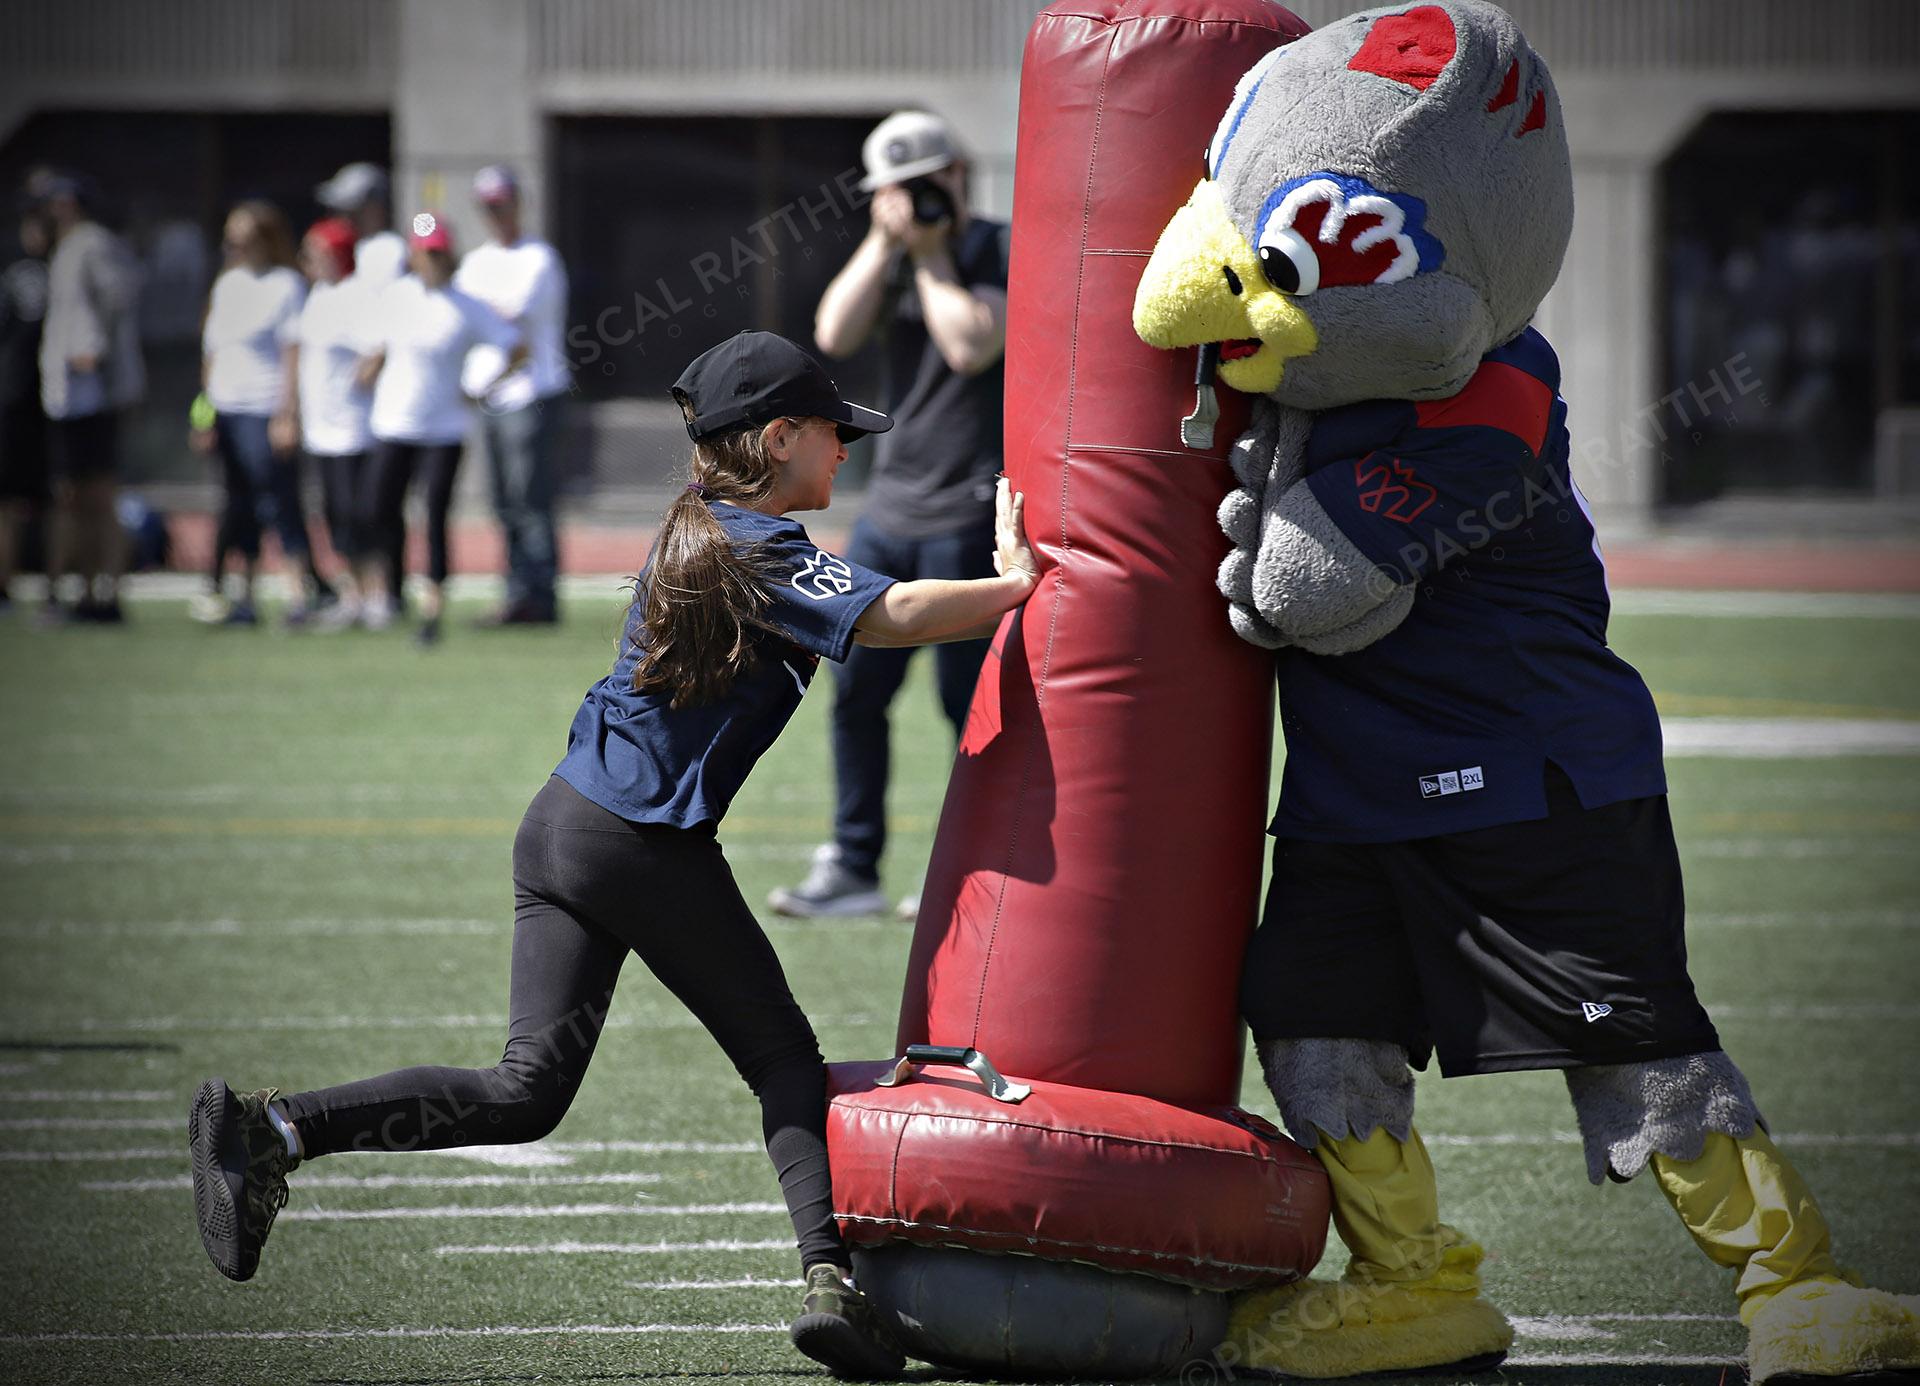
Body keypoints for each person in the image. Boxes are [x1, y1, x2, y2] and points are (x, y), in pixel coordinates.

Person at [187, 329, 1041, 1377]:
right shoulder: (757, 544)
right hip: (639, 844)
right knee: (780, 1060)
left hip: (561, 827)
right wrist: (1018, 588)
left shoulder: (710, 523)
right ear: (778, 439)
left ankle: (271, 1131)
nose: (846, 454)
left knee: (528, 1090)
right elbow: (893, 613)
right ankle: (836, 1283)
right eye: (832, 434)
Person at [772, 110, 1010, 921]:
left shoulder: (999, 248)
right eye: (895, 192)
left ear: (959, 173)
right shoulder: (894, 258)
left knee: (966, 703)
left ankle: (968, 866)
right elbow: (831, 332)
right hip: (893, 505)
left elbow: (972, 346)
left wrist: (936, 255)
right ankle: (854, 863)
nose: (914, 201)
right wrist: (885, 245)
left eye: (927, 183)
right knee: (854, 691)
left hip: (967, 507)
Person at [355, 213, 522, 646]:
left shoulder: (465, 305)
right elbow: (375, 348)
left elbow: (516, 346)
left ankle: (432, 609)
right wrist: (365, 372)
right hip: (393, 423)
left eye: (437, 252)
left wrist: (480, 388)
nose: (430, 260)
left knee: (433, 515)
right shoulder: (395, 297)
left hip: (444, 431)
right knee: (378, 508)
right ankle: (390, 593)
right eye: (423, 252)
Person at [188, 201, 324, 628]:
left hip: (264, 409)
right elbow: (212, 355)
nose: (236, 247)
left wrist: (288, 414)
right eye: (231, 240)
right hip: (227, 408)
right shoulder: (227, 285)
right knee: (237, 506)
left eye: (244, 239)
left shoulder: (286, 284)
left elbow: (292, 353)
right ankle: (242, 598)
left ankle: (298, 594)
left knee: (279, 504)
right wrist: (204, 415)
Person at [454, 164, 571, 627]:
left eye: (502, 203)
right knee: (504, 502)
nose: (496, 213)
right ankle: (517, 591)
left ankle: (539, 596)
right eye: (488, 206)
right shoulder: (477, 261)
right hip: (491, 396)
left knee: (531, 500)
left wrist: (477, 310)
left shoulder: (538, 258)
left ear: (518, 203)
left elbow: (507, 319)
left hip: (531, 392)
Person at [35, 171, 143, 624]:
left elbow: (119, 296)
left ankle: (107, 592)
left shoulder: (94, 243)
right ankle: (76, 589)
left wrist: (92, 350)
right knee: (72, 497)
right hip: (67, 396)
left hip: (92, 393)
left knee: (98, 496)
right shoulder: (62, 248)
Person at [287, 217, 376, 631]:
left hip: (351, 429)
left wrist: (361, 379)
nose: (308, 260)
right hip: (321, 430)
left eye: (316, 252)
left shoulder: (355, 296)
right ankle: (351, 597)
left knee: (357, 517)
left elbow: (375, 348)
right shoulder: (318, 295)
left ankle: (373, 597)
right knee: (333, 517)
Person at [0, 201, 51, 614]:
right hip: (17, 400)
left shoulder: (60, 268)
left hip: (46, 402)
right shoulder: (19, 271)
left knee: (50, 498)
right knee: (12, 500)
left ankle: (53, 587)